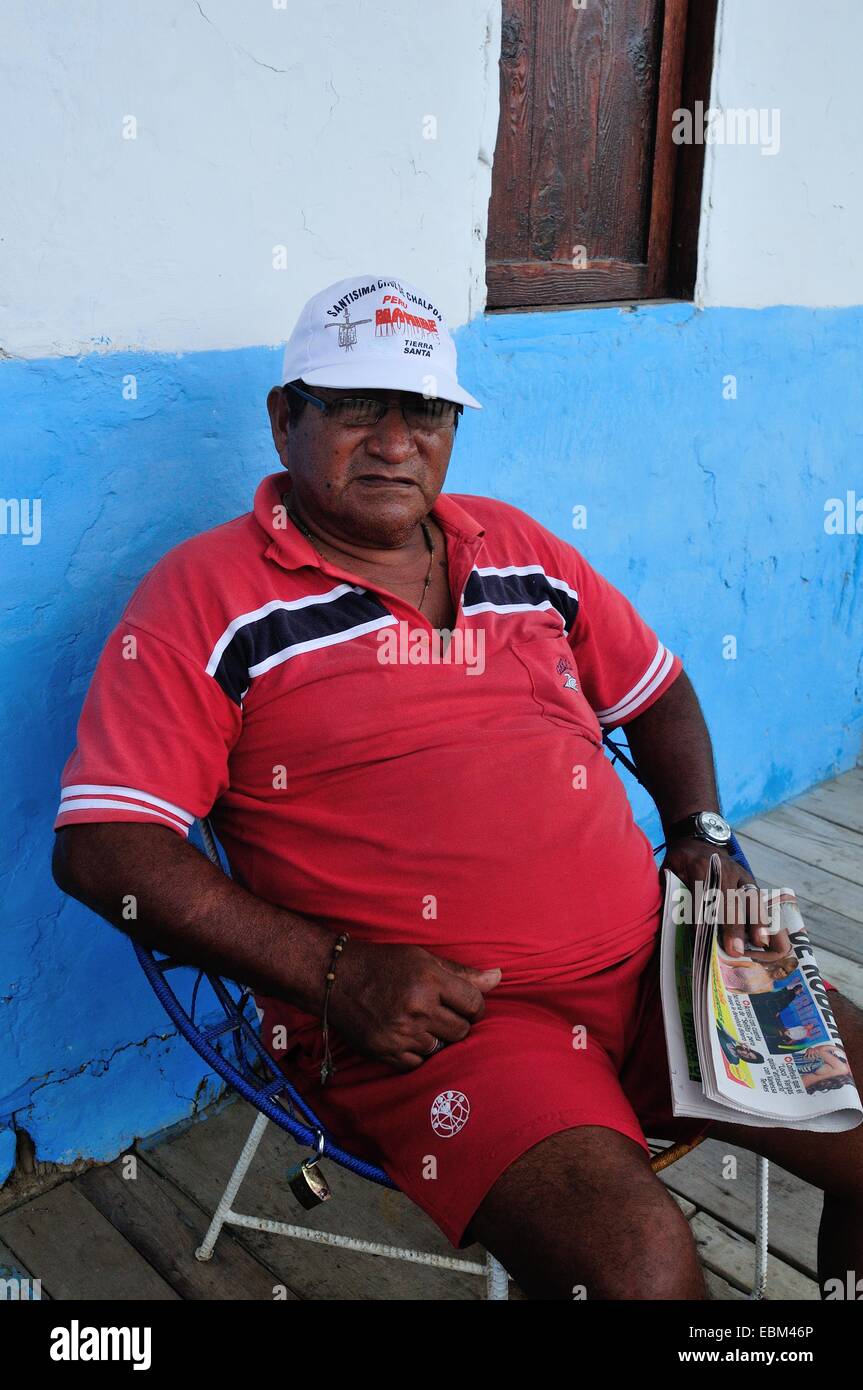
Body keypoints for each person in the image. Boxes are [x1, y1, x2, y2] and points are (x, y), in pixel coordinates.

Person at [52, 273, 863, 1300]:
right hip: (451, 1024)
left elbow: (655, 691)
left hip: (666, 960)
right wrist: (333, 968)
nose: (395, 441)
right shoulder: (204, 598)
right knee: (639, 1271)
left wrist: (698, 832)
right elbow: (102, 847)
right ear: (282, 420)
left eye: (424, 410)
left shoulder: (517, 548)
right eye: (355, 407)